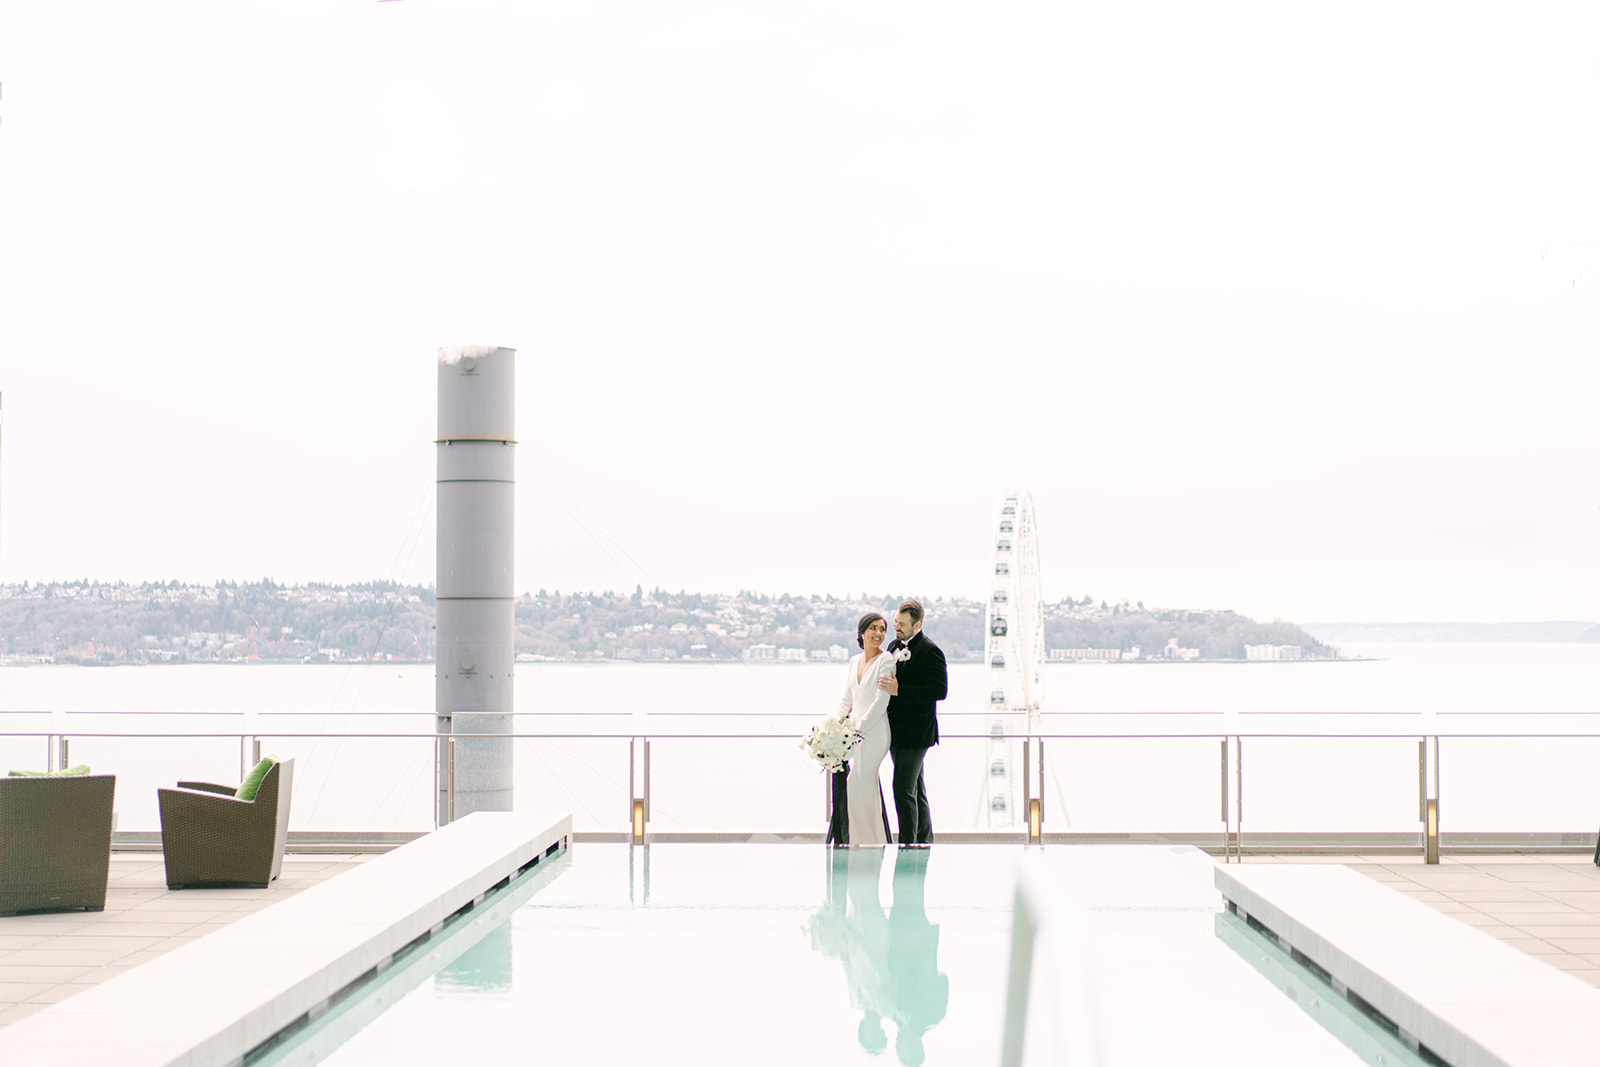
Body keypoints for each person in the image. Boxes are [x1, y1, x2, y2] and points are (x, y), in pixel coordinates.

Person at [877, 599, 946, 846]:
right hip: (896, 731)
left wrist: (900, 690)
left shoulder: (931, 650)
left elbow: (939, 690)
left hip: (916, 733)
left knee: (902, 789)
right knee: (915, 788)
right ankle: (923, 841)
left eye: (902, 624)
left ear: (917, 624)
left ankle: (907, 845)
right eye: (896, 622)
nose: (897, 627)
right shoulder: (894, 646)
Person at [832, 612, 896, 846]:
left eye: (882, 629)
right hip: (854, 735)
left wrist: (857, 729)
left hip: (875, 733)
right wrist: (832, 727)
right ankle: (869, 842)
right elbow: (847, 698)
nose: (879, 634)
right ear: (862, 632)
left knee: (857, 784)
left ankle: (867, 843)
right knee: (863, 788)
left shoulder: (886, 660)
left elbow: (881, 701)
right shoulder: (854, 661)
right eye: (874, 628)